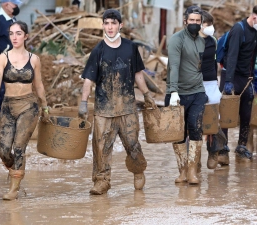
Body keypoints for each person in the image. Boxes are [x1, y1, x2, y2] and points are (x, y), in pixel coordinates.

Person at [78, 9, 157, 195]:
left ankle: (138, 170)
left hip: (127, 107)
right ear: (103, 26)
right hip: (104, 109)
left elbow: (138, 74)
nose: (110, 27)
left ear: (120, 25)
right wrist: (83, 102)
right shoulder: (98, 50)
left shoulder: (130, 47)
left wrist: (147, 94)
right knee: (101, 148)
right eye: (107, 23)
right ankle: (101, 181)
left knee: (133, 144)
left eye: (113, 23)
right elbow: (88, 79)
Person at [0, 21, 49, 200]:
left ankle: (14, 188)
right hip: (8, 106)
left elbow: (39, 85)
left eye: (19, 33)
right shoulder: (2, 58)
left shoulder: (34, 59)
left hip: (29, 106)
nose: (14, 37)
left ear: (26, 36)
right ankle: (15, 170)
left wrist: (45, 107)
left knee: (19, 147)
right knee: (3, 150)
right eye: (12, 33)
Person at [166, 6, 207, 184]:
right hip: (178, 93)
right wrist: (173, 90)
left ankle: (192, 171)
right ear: (185, 21)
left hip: (198, 91)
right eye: (192, 21)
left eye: (198, 21)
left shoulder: (202, 41)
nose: (195, 24)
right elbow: (173, 66)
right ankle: (182, 170)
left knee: (196, 127)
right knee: (178, 134)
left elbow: (201, 65)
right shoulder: (176, 40)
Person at [219, 6, 257, 163]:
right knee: (227, 113)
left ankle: (241, 146)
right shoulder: (239, 29)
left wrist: (251, 78)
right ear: (254, 17)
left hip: (246, 78)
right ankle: (222, 149)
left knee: (246, 113)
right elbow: (232, 55)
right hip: (231, 76)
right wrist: (228, 81)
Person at [198, 11, 225, 170]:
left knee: (214, 118)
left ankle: (214, 151)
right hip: (194, 83)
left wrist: (219, 81)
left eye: (210, 24)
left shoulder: (213, 41)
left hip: (210, 82)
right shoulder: (191, 41)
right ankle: (194, 159)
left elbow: (217, 62)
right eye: (206, 25)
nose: (209, 28)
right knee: (194, 121)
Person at [0, 0, 21, 119]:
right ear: (7, 5)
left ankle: (5, 110)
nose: (17, 7)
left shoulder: (13, 20)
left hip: (11, 60)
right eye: (15, 4)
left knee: (8, 86)